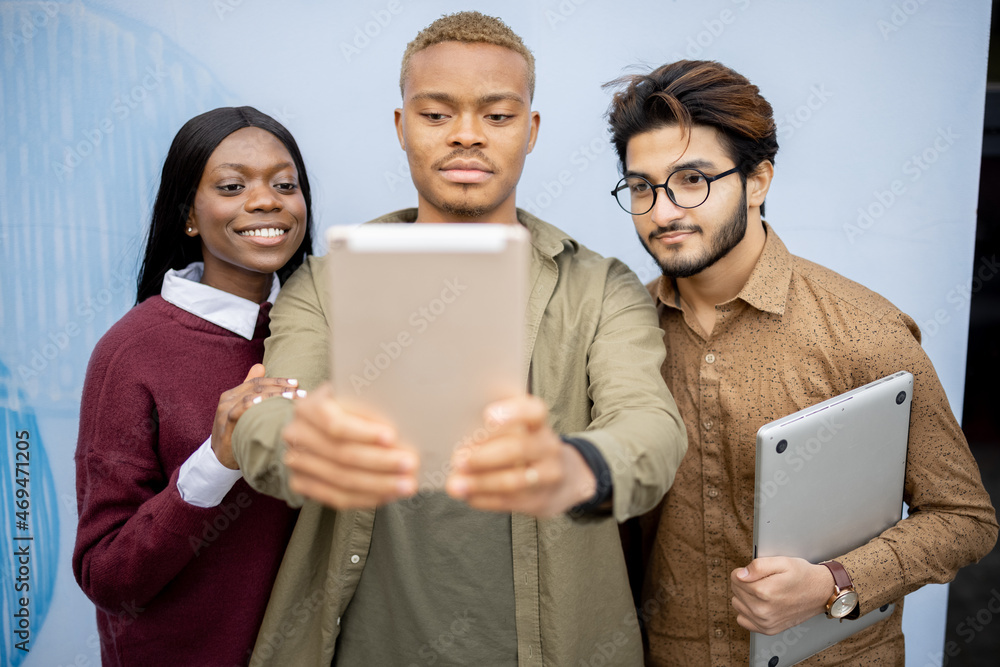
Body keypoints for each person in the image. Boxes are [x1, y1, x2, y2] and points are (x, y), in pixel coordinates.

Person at [230, 11, 687, 666]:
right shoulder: (326, 284)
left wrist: (576, 465)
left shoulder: (601, 287)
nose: (467, 136)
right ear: (401, 126)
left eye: (497, 116)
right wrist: (297, 441)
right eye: (437, 114)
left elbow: (651, 424)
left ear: (530, 131)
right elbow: (271, 406)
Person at [605, 60, 999, 665]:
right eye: (641, 187)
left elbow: (965, 518)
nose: (662, 212)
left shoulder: (864, 330)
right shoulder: (621, 333)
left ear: (758, 180)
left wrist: (835, 584)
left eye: (692, 179)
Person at [73, 106, 315, 666]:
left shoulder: (324, 332)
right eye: (233, 186)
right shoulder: (132, 353)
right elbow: (107, 576)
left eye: (285, 184)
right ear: (188, 215)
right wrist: (217, 460)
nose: (266, 201)